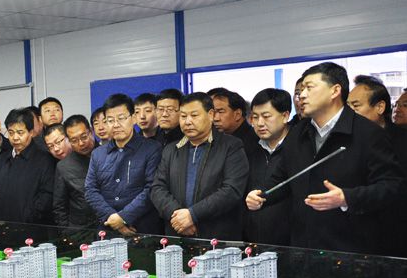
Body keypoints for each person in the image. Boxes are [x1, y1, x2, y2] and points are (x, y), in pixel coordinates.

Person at [246, 62, 403, 255]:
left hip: (352, 248)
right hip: (303, 246)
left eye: (309, 88)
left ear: (335, 90)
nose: (302, 95)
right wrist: (262, 195)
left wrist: (347, 198)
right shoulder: (297, 133)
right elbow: (283, 178)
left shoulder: (368, 133)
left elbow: (391, 186)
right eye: (301, 90)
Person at [151, 92, 249, 240]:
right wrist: (178, 216)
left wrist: (193, 215)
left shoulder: (231, 146)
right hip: (177, 234)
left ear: (211, 115)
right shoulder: (171, 149)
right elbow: (157, 188)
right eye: (183, 116)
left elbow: (232, 190)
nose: (188, 121)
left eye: (194, 115)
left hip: (217, 237)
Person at [85, 94, 163, 236]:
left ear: (133, 118)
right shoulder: (97, 154)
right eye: (110, 120)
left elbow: (151, 189)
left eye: (121, 118)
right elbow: (90, 190)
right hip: (107, 230)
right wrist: (113, 218)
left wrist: (124, 217)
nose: (116, 125)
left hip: (141, 229)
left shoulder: (152, 149)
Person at [0, 108, 56, 224]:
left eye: (20, 132)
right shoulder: (2, 159)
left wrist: (29, 218)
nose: (15, 137)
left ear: (31, 132)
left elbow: (46, 196)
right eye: (11, 132)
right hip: (0, 227)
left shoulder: (44, 160)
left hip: (31, 227)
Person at [243, 88, 293, 246]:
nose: (259, 123)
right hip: (253, 242)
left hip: (290, 242)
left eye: (266, 116)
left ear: (285, 116)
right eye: (255, 117)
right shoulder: (248, 149)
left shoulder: (298, 148)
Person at [53, 114, 95, 227]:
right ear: (68, 141)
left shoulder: (107, 155)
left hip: (110, 224)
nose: (81, 143)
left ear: (91, 132)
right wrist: (66, 232)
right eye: (74, 140)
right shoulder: (63, 167)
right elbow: (59, 206)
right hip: (80, 229)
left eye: (84, 137)